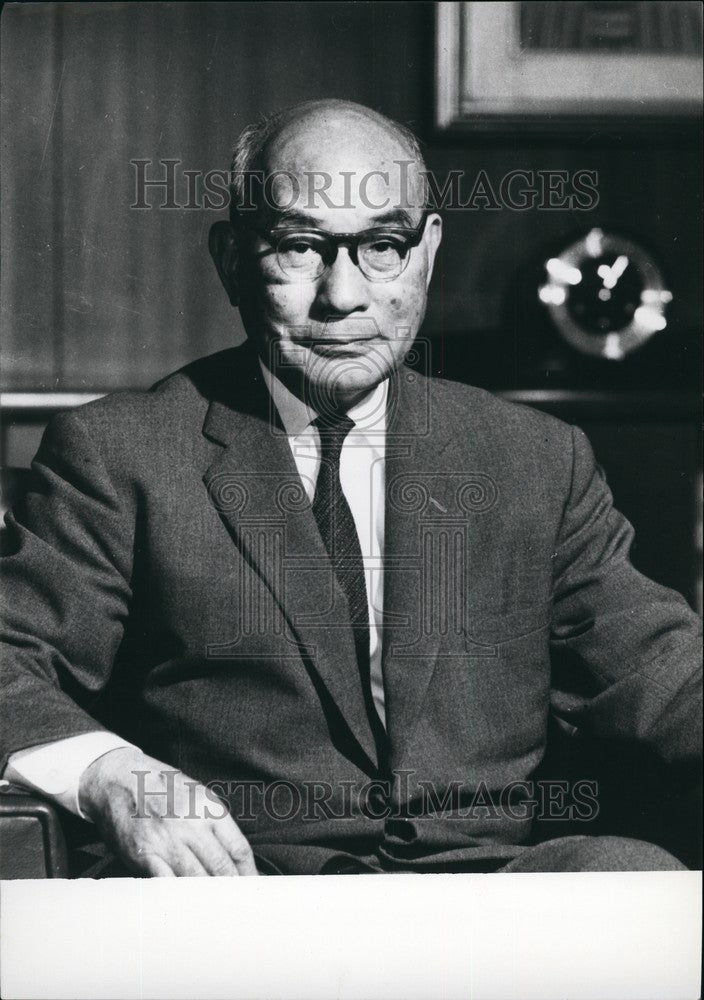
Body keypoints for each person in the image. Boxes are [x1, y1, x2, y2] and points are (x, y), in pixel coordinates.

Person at [1, 100, 701, 877]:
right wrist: (111, 775)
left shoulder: (534, 459)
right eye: (300, 247)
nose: (343, 296)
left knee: (634, 875)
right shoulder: (121, 454)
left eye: (382, 247)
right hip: (242, 890)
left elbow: (662, 675)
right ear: (231, 259)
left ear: (427, 253)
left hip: (487, 886)